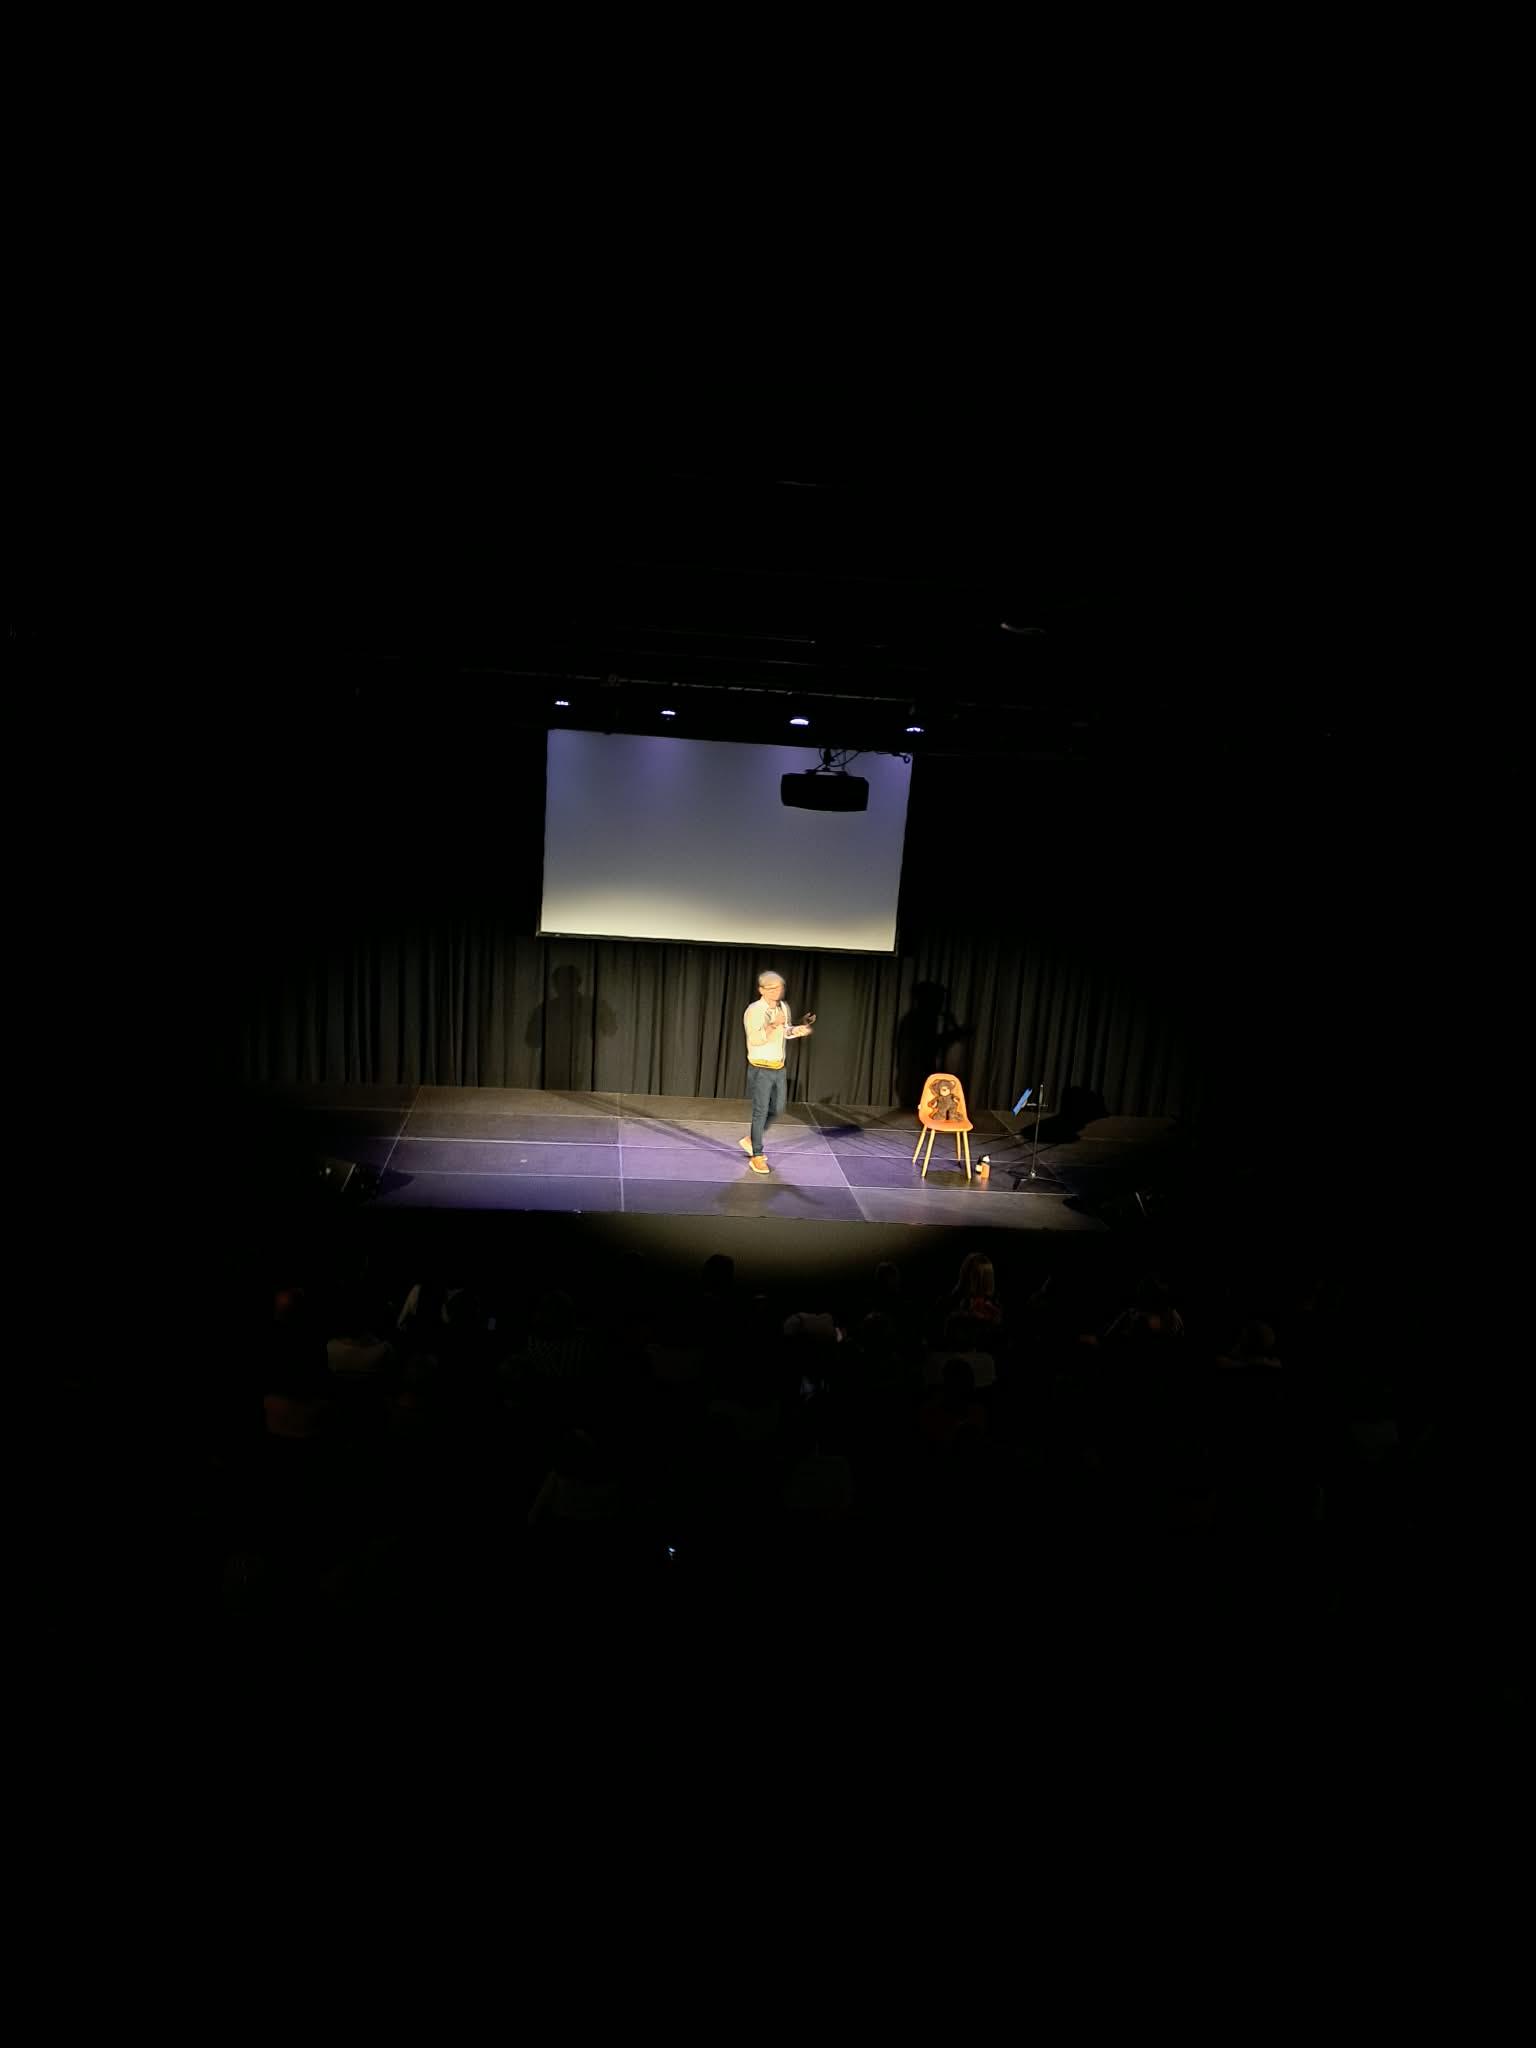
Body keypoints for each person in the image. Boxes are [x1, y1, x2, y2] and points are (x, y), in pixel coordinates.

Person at [740, 970, 814, 1173]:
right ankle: (757, 1155)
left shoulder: (783, 1007)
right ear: (761, 990)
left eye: (779, 987)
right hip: (760, 1068)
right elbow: (756, 1039)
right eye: (771, 988)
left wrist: (797, 1030)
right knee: (760, 1111)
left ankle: (751, 1139)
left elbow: (785, 1031)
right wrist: (773, 1024)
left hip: (778, 1067)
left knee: (778, 1108)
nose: (776, 991)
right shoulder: (754, 1010)